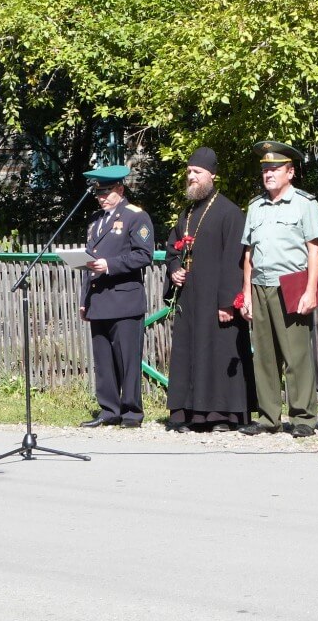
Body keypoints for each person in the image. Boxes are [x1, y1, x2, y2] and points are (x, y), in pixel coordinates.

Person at [164, 147, 252, 432]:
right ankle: (186, 413)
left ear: (213, 176)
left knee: (217, 352)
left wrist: (228, 302)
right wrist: (174, 268)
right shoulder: (186, 213)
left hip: (217, 300)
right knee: (189, 352)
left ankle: (221, 415)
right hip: (190, 299)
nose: (191, 177)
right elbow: (172, 248)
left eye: (197, 173)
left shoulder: (229, 212)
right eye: (189, 172)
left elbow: (235, 260)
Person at [239, 141, 318, 438]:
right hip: (261, 285)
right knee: (264, 355)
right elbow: (248, 254)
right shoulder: (255, 206)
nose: (268, 174)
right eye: (265, 169)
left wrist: (311, 291)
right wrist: (246, 294)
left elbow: (315, 250)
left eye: (275, 169)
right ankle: (268, 417)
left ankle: (303, 417)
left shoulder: (305, 203)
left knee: (295, 354)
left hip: (292, 283)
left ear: (291, 172)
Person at [79, 165, 154, 429]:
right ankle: (108, 409)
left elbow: (143, 255)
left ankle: (132, 412)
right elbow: (88, 263)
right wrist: (83, 299)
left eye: (106, 192)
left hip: (124, 300)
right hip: (99, 300)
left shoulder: (136, 216)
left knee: (128, 360)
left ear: (120, 190)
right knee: (103, 361)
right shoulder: (95, 221)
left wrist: (109, 265)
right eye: (97, 193)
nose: (101, 197)